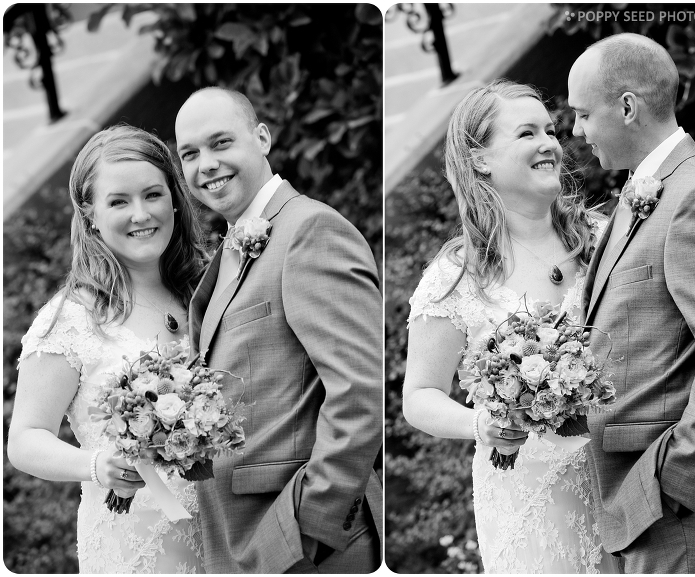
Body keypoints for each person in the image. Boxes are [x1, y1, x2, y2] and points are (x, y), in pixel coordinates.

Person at [402, 79, 619, 573]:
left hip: (628, 471)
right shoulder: (454, 279)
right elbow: (418, 397)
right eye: (526, 133)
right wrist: (484, 424)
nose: (549, 143)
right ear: (480, 160)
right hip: (531, 493)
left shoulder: (603, 238)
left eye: (549, 130)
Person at [568, 33, 695, 573]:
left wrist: (676, 480)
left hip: (685, 512)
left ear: (627, 106)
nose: (577, 131)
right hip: (639, 504)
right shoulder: (649, 185)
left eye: (583, 114)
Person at [174, 87, 383, 574]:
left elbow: (359, 391)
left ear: (262, 138)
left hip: (305, 544)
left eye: (221, 143)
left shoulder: (310, 230)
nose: (206, 164)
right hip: (241, 537)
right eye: (190, 154)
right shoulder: (231, 247)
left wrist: (310, 527)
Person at [7, 125, 209, 573]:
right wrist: (98, 465)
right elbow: (23, 440)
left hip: (230, 538)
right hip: (135, 548)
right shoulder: (72, 318)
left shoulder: (206, 290)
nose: (141, 214)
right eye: (119, 201)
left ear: (175, 198)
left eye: (153, 195)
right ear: (90, 214)